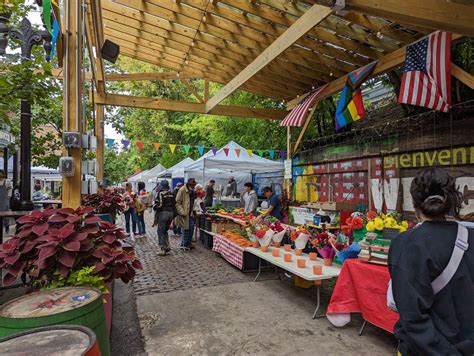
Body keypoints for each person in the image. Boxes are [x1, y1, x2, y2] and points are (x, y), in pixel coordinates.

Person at [388, 167, 474, 356]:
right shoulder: (470, 237)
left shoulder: (406, 244)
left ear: (413, 202)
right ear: (452, 199)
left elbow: (412, 316)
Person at [153, 180, 176, 256]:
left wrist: (154, 206)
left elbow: (159, 205)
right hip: (171, 213)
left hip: (163, 213)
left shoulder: (161, 193)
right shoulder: (171, 193)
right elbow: (174, 204)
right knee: (165, 230)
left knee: (160, 231)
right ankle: (167, 246)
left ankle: (162, 249)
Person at [175, 178, 196, 250]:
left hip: (190, 213)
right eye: (192, 185)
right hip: (184, 213)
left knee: (191, 228)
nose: (193, 187)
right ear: (189, 184)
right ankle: (184, 244)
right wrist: (182, 212)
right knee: (185, 229)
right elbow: (177, 202)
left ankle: (188, 243)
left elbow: (192, 201)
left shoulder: (192, 191)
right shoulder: (182, 190)